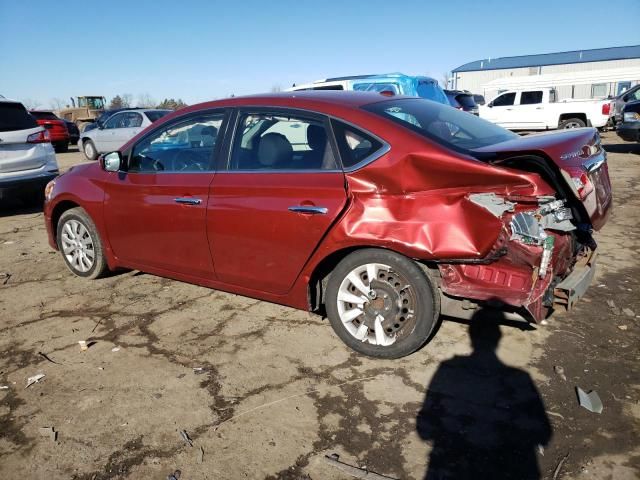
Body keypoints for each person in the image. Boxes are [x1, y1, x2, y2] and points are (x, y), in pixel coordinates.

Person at [417, 308, 552, 480]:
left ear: (471, 337)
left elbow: (424, 430)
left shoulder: (447, 369)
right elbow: (544, 435)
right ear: (499, 339)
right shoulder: (520, 379)